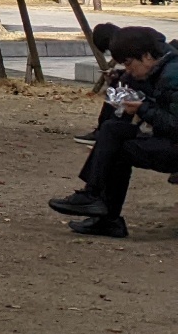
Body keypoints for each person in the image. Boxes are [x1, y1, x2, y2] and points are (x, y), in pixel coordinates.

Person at [48, 25, 178, 237]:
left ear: (146, 56)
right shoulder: (163, 67)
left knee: (117, 149)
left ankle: (104, 214)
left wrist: (143, 108)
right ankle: (93, 197)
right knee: (111, 131)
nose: (128, 69)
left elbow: (174, 125)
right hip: (167, 138)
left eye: (128, 63)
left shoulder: (173, 76)